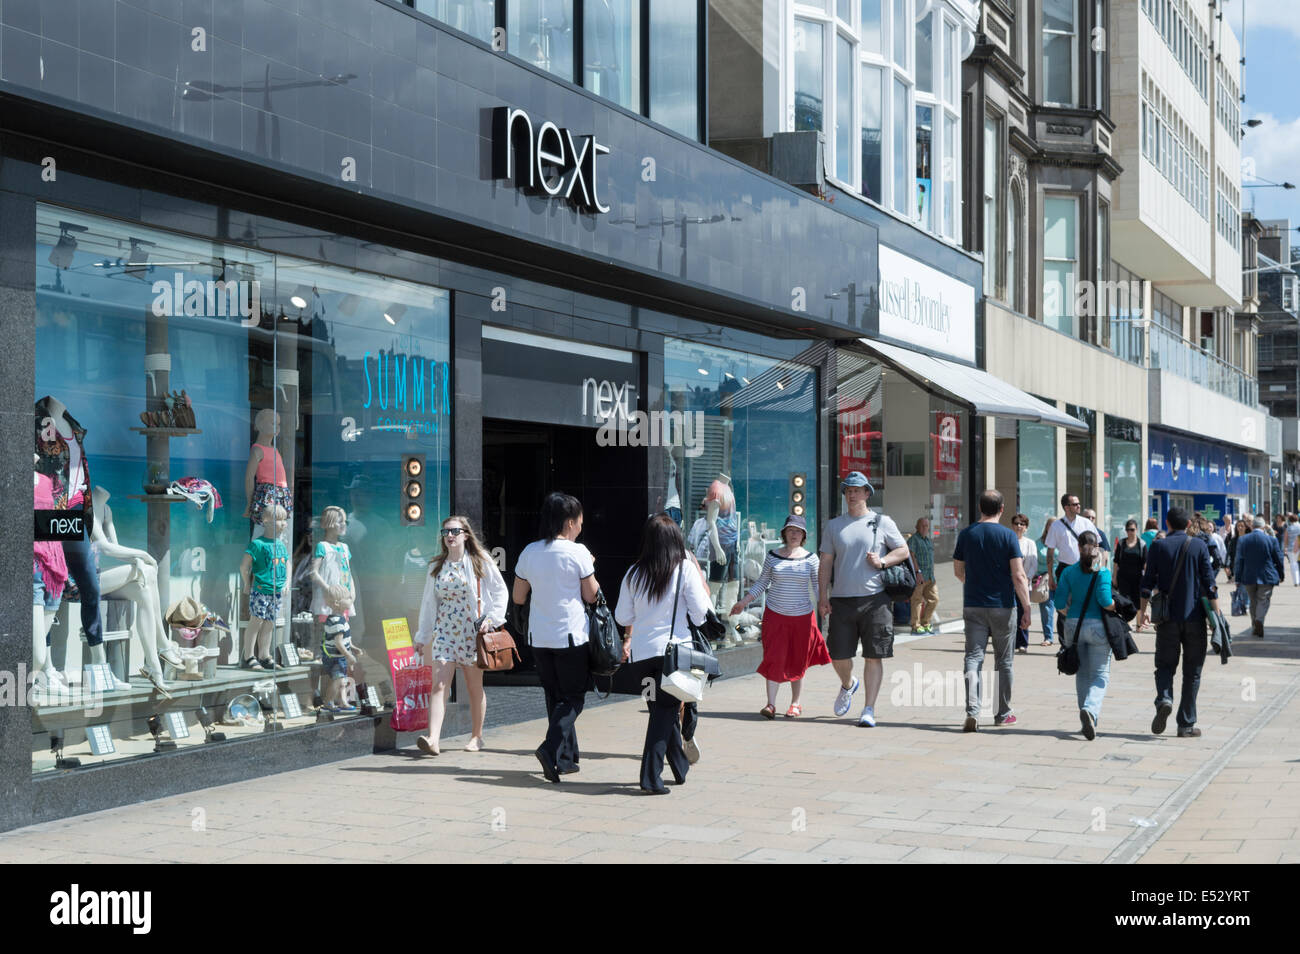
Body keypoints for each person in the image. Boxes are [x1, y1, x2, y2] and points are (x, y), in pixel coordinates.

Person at [614, 514, 712, 794]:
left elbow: (623, 616)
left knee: (662, 710)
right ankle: (650, 778)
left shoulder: (634, 573)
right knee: (662, 715)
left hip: (641, 658)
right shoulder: (685, 569)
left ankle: (679, 768)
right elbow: (699, 613)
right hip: (675, 656)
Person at [513, 493, 600, 783]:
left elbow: (518, 596)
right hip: (571, 636)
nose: (580, 528)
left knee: (554, 697)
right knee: (574, 698)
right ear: (570, 522)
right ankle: (550, 749)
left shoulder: (529, 551)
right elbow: (592, 595)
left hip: (540, 636)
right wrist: (591, 566)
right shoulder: (578, 553)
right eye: (580, 522)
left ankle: (566, 759)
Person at [818, 471, 910, 727]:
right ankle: (848, 684)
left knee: (874, 655)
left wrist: (882, 561)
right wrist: (822, 596)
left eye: (857, 490)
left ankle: (869, 709)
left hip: (875, 599)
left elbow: (902, 550)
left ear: (867, 493)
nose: (852, 494)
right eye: (848, 490)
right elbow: (826, 562)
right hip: (842, 600)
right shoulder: (834, 525)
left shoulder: (882, 521)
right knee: (838, 655)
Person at [413, 515, 508, 756]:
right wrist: (422, 636)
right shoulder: (437, 566)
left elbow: (500, 591)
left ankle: (477, 736)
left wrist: (492, 619)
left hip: (472, 633)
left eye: (455, 531)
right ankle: (433, 738)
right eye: (446, 533)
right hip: (444, 633)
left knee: (473, 686)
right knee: (439, 685)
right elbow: (428, 602)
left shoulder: (480, 561)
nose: (450, 536)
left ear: (466, 534)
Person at [731, 514, 830, 718]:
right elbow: (761, 583)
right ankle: (771, 705)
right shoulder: (772, 555)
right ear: (784, 533)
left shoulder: (811, 558)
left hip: (802, 617)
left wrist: (824, 603)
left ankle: (795, 703)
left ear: (803, 535)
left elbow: (818, 585)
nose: (794, 534)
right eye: (791, 530)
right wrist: (743, 602)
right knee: (774, 657)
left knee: (798, 659)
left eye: (798, 531)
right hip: (775, 615)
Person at [1138, 507, 1220, 738]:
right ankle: (1185, 724)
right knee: (1192, 672)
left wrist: (1142, 613)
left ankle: (1164, 697)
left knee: (1164, 666)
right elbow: (1210, 585)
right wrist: (1217, 619)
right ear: (1188, 524)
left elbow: (1146, 584)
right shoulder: (1199, 546)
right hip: (1195, 618)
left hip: (1166, 619)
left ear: (1167, 522)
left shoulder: (1158, 545)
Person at [953, 490, 1030, 731]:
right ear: (1002, 509)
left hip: (974, 604)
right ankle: (1003, 712)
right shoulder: (1008, 536)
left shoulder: (966, 534)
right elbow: (1018, 575)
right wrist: (1026, 606)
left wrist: (975, 583)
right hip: (1003, 606)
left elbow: (958, 571)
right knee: (1004, 661)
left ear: (979, 507)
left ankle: (972, 710)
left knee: (973, 657)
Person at [1054, 531, 1116, 740]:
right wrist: (1118, 607)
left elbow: (1059, 603)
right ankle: (1090, 709)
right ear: (1096, 548)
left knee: (1081, 673)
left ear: (1078, 547)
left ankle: (1086, 714)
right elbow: (1105, 600)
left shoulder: (1068, 572)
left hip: (1073, 626)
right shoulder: (1103, 572)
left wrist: (1070, 615)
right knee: (1100, 674)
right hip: (1098, 626)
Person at [1233, 516, 1286, 638]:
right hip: (1267, 575)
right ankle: (1259, 621)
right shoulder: (1271, 540)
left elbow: (1239, 560)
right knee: (1263, 600)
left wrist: (1237, 577)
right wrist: (1281, 574)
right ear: (1263, 526)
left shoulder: (1243, 540)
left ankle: (1254, 625)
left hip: (1248, 575)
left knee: (1253, 601)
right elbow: (1278, 558)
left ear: (1252, 526)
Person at [1045, 493, 1100, 590]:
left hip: (1085, 568)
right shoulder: (1056, 526)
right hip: (1064, 568)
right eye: (1075, 504)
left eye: (1079, 503)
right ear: (1066, 507)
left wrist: (1095, 567)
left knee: (1084, 601)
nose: (1079, 506)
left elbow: (1097, 545)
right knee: (1065, 602)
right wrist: (1050, 577)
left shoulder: (1086, 523)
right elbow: (1050, 553)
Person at [1112, 519, 1147, 629]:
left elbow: (1145, 563)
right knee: (1124, 600)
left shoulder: (1142, 544)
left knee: (1137, 601)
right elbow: (1116, 561)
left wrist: (1147, 578)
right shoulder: (1121, 543)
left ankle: (1138, 623)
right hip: (1123, 577)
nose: (1130, 532)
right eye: (1128, 530)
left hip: (1137, 578)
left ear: (1136, 530)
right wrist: (1114, 577)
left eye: (1132, 530)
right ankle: (1127, 623)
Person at [907, 517, 938, 634]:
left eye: (926, 526)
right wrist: (917, 572)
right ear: (917, 527)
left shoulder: (928, 540)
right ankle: (915, 625)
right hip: (919, 576)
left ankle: (926, 622)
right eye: (922, 526)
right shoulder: (914, 540)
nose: (925, 528)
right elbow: (911, 556)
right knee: (917, 601)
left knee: (934, 599)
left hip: (930, 576)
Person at [1011, 514, 1037, 654]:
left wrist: (1027, 578)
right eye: (1016, 523)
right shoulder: (1008, 541)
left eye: (1022, 524)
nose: (1019, 526)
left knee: (1024, 611)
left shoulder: (1030, 543)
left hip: (1024, 584)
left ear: (1026, 528)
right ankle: (1011, 642)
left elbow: (1033, 563)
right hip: (1009, 583)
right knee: (1011, 613)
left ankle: (1023, 643)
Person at [1038, 517, 1057, 646]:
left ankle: (1065, 637)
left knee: (1063, 609)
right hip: (1044, 579)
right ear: (1047, 527)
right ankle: (1048, 637)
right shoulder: (1038, 543)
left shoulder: (1063, 541)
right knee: (1046, 609)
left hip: (1061, 578)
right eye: (1051, 525)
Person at [1284, 514, 1300, 586]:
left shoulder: (1289, 528)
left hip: (1291, 548)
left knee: (1293, 564)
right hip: (1299, 547)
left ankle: (1296, 581)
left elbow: (1286, 539)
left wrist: (1285, 548)